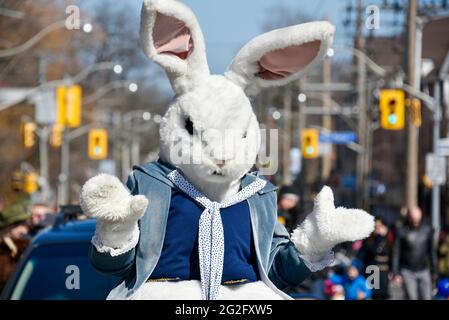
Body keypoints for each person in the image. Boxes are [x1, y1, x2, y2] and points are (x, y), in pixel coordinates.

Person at [392, 206, 437, 300]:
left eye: (417, 219)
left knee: (427, 296)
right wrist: (395, 272)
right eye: (413, 219)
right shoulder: (402, 231)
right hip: (407, 270)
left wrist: (434, 270)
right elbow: (396, 253)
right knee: (412, 297)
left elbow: (431, 251)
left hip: (423, 269)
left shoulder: (427, 230)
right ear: (409, 218)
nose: (416, 222)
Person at [358, 217, 393, 300]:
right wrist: (379, 237)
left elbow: (392, 256)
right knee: (374, 295)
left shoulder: (388, 240)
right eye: (376, 226)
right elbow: (374, 251)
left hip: (384, 273)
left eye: (380, 226)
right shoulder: (368, 241)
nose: (378, 229)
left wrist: (392, 271)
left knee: (384, 295)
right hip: (372, 272)